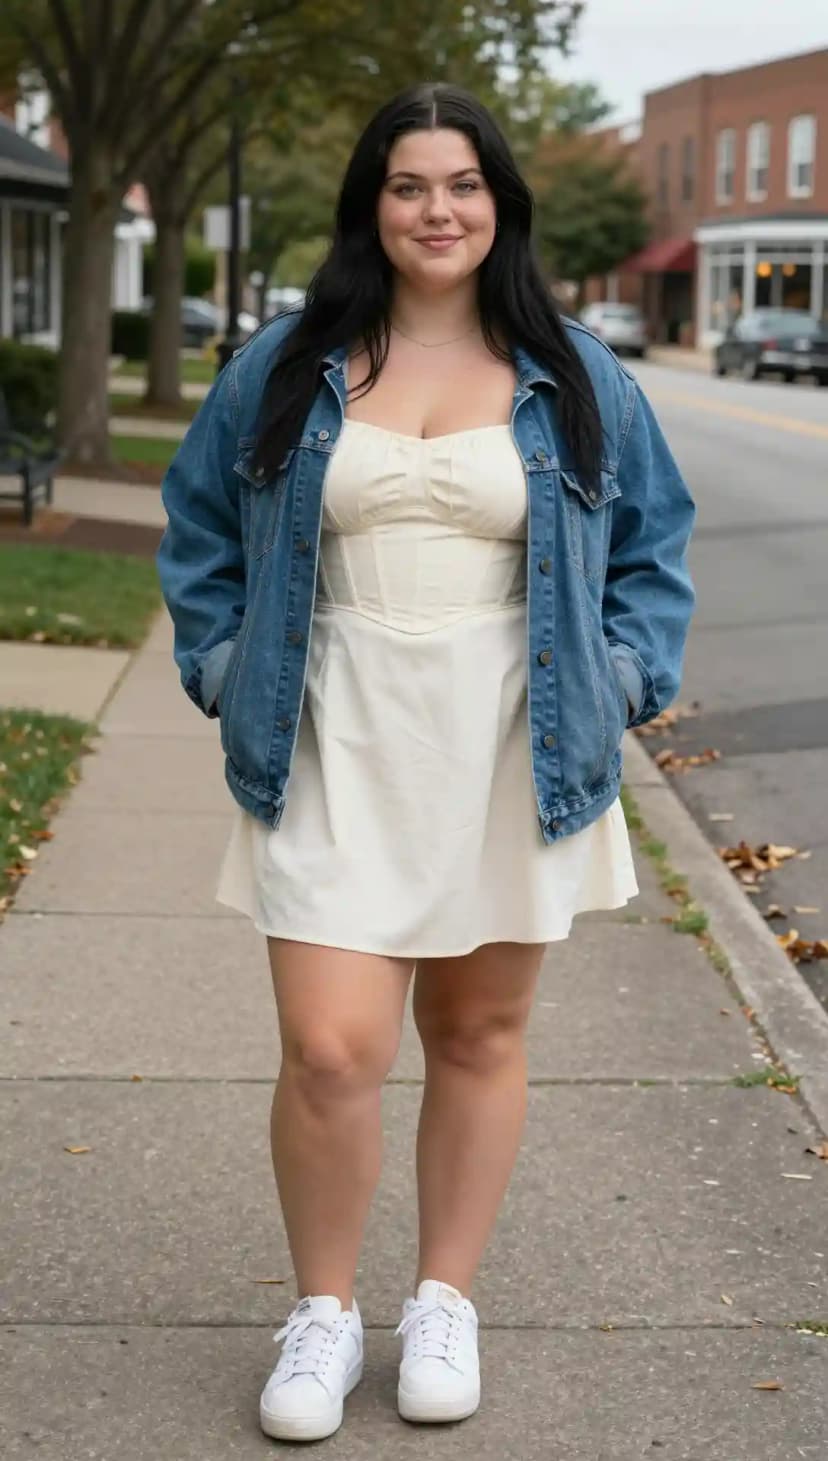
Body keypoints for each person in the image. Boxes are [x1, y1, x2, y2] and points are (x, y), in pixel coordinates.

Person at [156, 82, 695, 1444]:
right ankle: (324, 1311)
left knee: (476, 1032)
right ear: (372, 203)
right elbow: (202, 521)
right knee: (332, 1048)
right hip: (332, 727)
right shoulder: (288, 363)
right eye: (409, 185)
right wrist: (225, 672)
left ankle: (444, 1297)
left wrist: (622, 681)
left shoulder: (576, 372)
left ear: (499, 203)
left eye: (462, 184)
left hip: (514, 735)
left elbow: (653, 552)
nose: (437, 209)